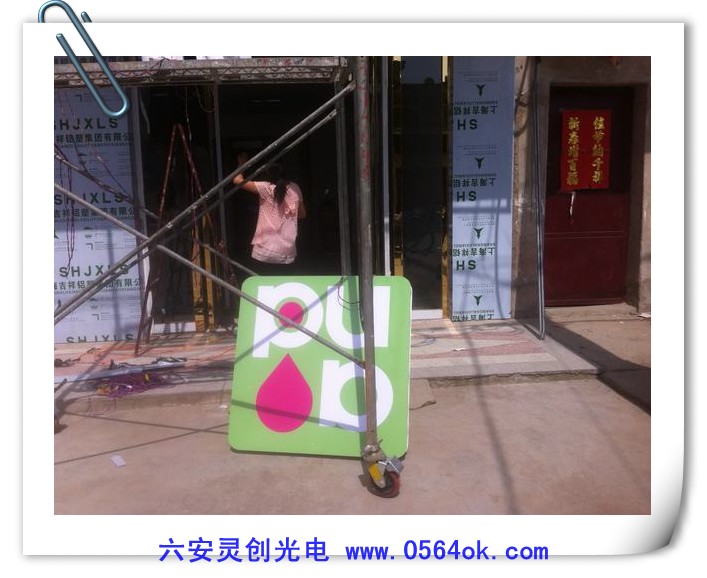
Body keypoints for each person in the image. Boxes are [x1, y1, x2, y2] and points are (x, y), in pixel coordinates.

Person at [233, 155, 306, 275]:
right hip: (286, 253)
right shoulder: (295, 188)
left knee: (263, 284)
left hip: (264, 252)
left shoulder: (265, 188)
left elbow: (237, 180)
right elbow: (302, 214)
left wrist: (242, 164)